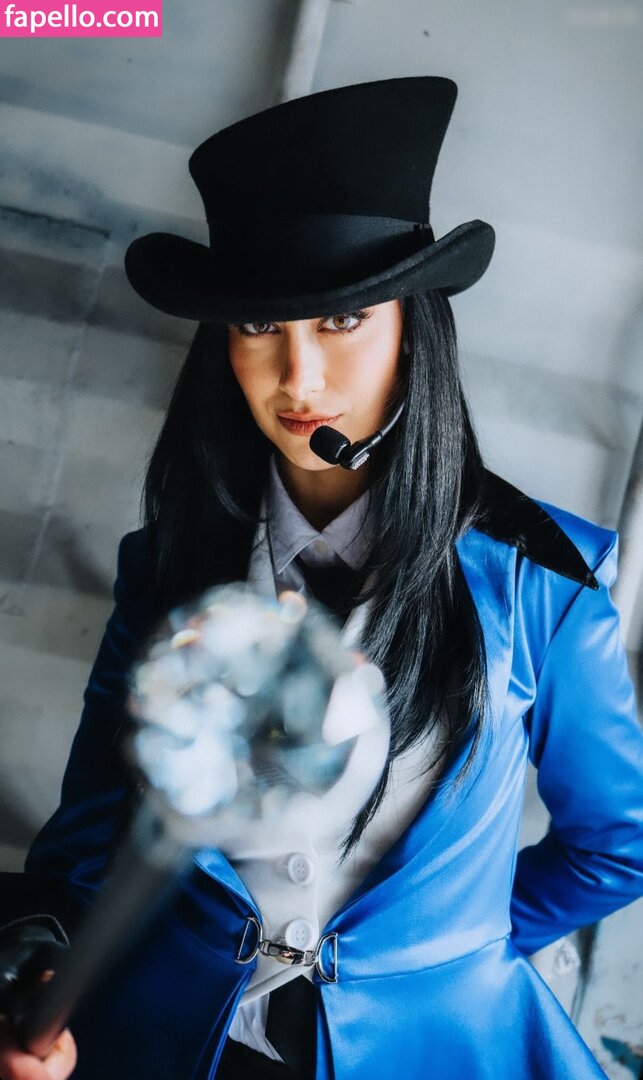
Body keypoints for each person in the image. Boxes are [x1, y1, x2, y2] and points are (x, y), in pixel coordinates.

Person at [1, 76, 642, 1080]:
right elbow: (86, 845)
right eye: (260, 328)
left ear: (412, 328)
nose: (297, 379)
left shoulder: (544, 584)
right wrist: (41, 973)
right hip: (168, 1041)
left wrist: (442, 955)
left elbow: (617, 845)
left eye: (342, 321)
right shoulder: (166, 565)